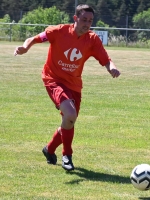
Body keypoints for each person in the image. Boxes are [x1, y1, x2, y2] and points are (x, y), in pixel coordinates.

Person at [14, 4, 121, 171]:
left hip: (74, 84)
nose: (87, 23)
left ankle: (49, 149)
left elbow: (106, 59)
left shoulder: (92, 40)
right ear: (75, 18)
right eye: (84, 19)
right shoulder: (58, 31)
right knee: (70, 115)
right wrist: (25, 47)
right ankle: (67, 155)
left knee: (68, 120)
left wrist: (112, 67)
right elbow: (35, 38)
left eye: (90, 21)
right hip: (53, 79)